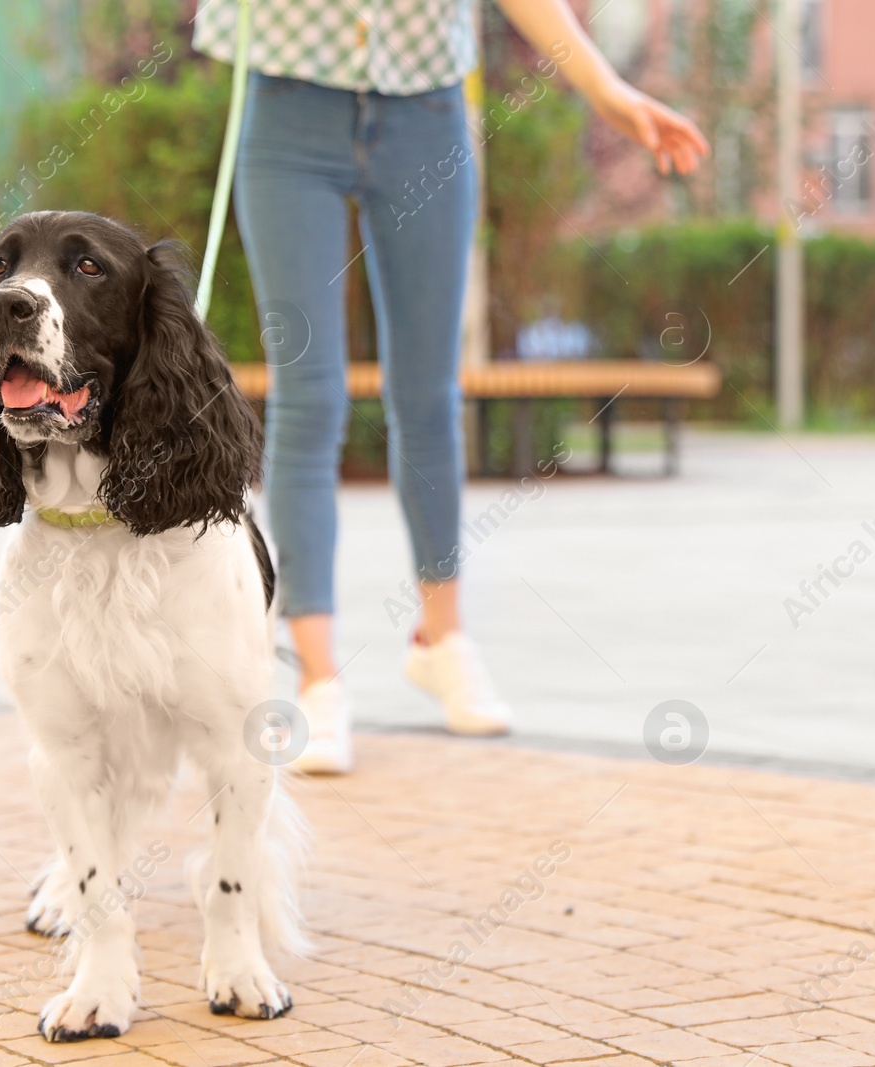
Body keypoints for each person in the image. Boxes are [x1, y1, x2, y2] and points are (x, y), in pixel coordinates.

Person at [192, 0, 707, 774]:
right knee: (309, 398)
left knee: (428, 395)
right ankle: (319, 680)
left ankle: (442, 638)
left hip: (425, 113)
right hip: (290, 107)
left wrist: (606, 91)